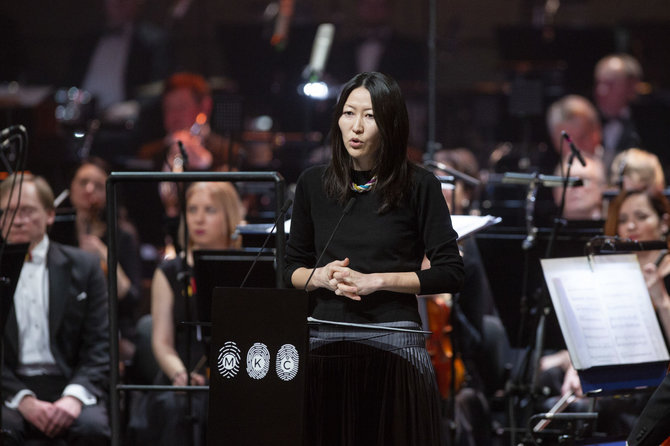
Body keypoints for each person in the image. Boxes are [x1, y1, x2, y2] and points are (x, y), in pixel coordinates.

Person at [284, 72, 464, 445]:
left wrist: (377, 280)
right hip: (322, 338)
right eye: (349, 113)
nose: (357, 127)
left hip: (393, 337)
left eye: (370, 116)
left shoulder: (419, 186)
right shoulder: (312, 184)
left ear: (391, 123)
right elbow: (289, 269)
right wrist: (320, 277)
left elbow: (450, 272)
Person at [539, 188, 670, 438]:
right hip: (616, 378)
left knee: (583, 413)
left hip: (654, 385)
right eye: (622, 219)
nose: (631, 225)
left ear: (664, 223)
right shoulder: (614, 272)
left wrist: (661, 299)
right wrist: (575, 365)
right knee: (547, 383)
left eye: (642, 216)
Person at [128, 181, 244, 445]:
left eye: (210, 210)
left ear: (229, 215)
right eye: (192, 210)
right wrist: (180, 374)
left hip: (235, 374)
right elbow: (162, 342)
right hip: (180, 374)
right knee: (180, 408)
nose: (198, 218)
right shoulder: (170, 271)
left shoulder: (249, 266)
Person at [0, 173, 110, 445]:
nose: (17, 219)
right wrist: (22, 400)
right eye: (7, 212)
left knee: (93, 428)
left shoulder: (84, 266)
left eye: (26, 210)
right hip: (10, 386)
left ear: (50, 214)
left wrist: (73, 397)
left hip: (69, 381)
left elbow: (100, 344)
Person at [68, 157, 142, 364]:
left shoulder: (122, 234)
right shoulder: (58, 230)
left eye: (98, 185)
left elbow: (131, 297)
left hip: (111, 326)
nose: (89, 189)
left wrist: (102, 252)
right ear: (71, 187)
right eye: (83, 182)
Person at [593, 53, 643, 160]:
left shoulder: (650, 123)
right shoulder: (587, 120)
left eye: (610, 83)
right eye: (599, 83)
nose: (601, 90)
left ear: (631, 86)